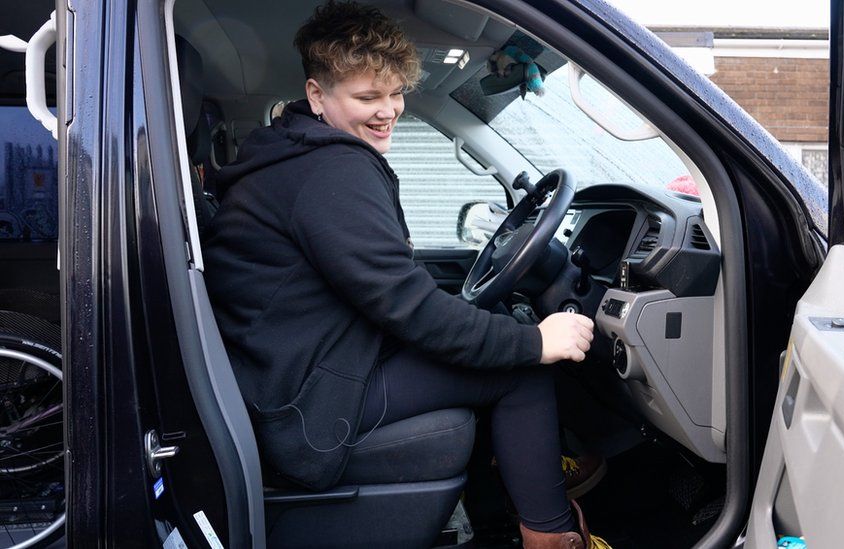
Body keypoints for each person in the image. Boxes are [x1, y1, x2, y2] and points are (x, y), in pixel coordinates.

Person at [203, 2, 608, 547]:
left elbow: (387, 285)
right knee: (523, 367)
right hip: (308, 403)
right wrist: (535, 341)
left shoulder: (300, 155)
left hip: (301, 368)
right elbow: (407, 306)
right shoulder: (330, 171)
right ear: (317, 96)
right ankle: (552, 536)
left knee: (494, 326)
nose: (388, 111)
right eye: (367, 98)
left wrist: (500, 327)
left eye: (395, 94)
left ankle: (524, 488)